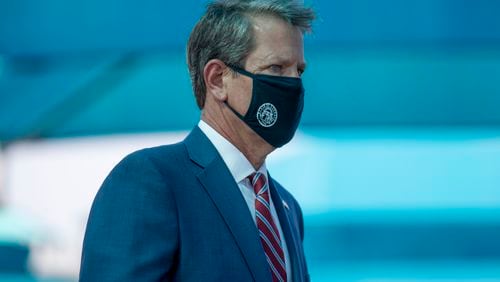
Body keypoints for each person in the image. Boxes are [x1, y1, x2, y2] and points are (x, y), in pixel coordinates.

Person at [79, 0, 315, 281]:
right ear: (217, 79)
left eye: (298, 71)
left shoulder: (287, 208)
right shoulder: (151, 180)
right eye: (276, 68)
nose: (294, 84)